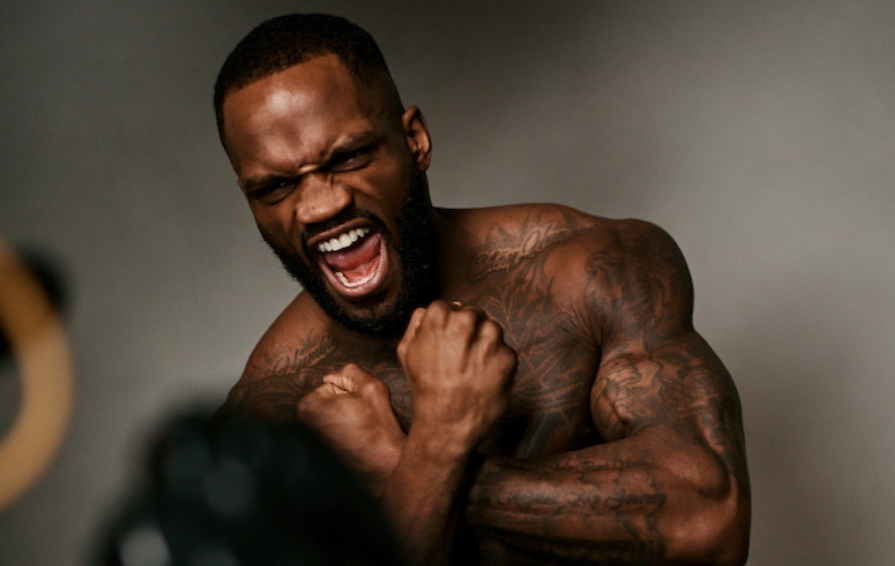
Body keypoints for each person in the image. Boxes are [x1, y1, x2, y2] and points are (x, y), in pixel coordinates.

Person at [213, 13, 750, 566]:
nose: (319, 206)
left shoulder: (592, 270)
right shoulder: (271, 413)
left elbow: (710, 518)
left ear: (414, 140)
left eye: (349, 158)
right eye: (275, 187)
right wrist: (438, 444)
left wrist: (418, 458)